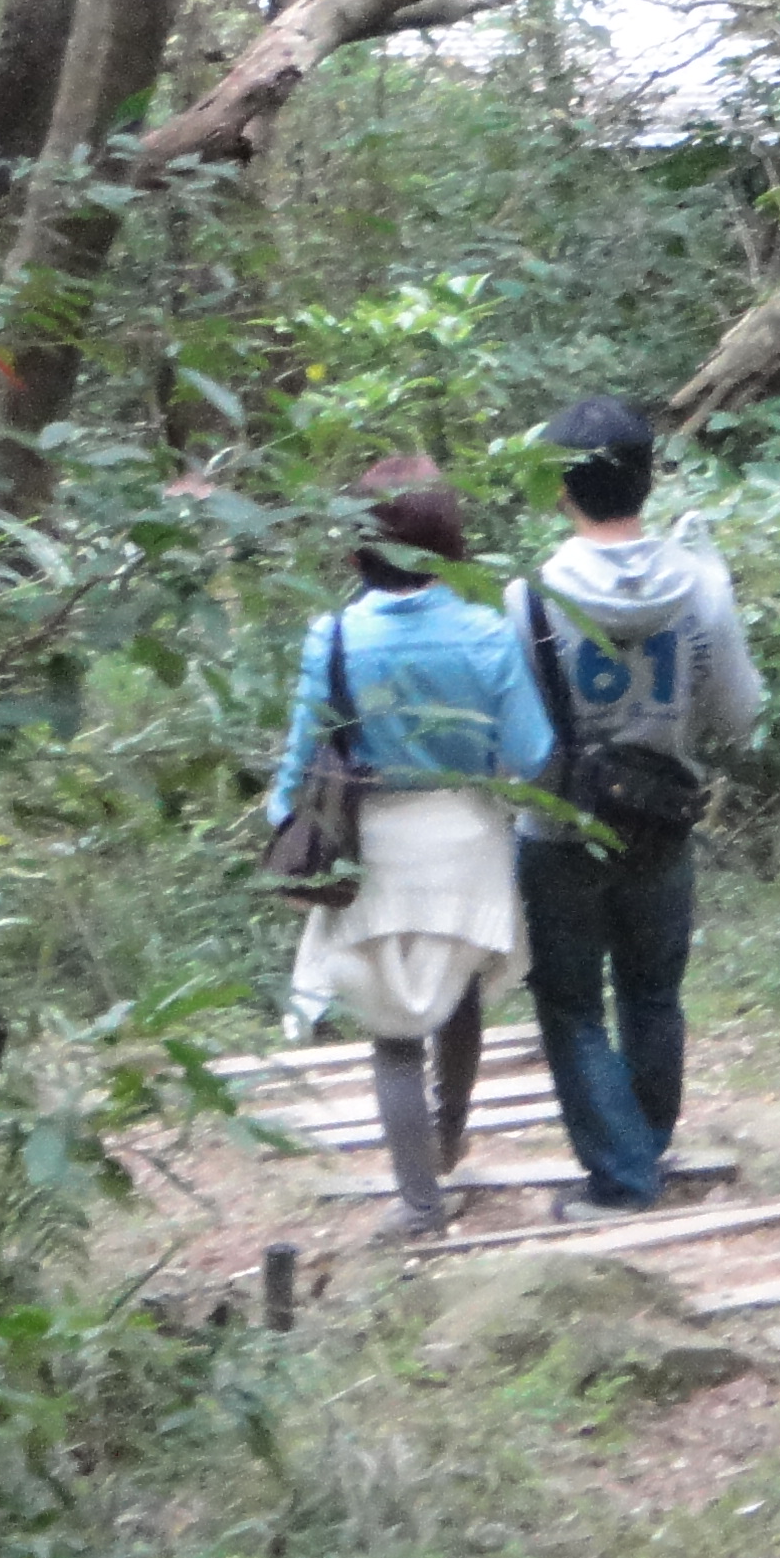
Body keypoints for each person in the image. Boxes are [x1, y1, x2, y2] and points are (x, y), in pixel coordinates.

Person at [267, 458, 557, 1242]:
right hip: (465, 840)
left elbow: (300, 761)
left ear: (358, 551)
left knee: (394, 1031)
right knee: (457, 996)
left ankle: (419, 1204)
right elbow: (531, 753)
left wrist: (283, 833)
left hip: (372, 847)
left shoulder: (332, 639)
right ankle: (450, 1139)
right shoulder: (486, 635)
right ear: (450, 549)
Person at [505, 396, 760, 1218]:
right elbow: (739, 714)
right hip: (662, 815)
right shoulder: (701, 589)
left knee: (572, 1003)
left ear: (559, 488)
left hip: (558, 825)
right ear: (649, 480)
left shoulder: (529, 599)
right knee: (653, 994)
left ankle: (622, 1179)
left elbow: (511, 735)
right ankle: (642, 1151)